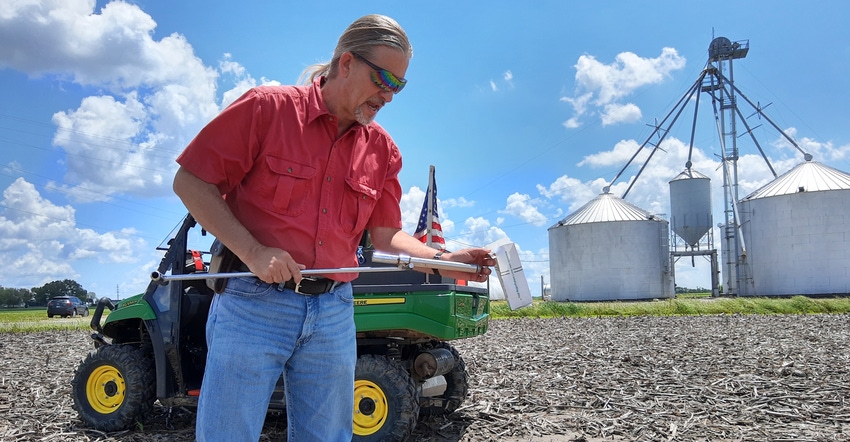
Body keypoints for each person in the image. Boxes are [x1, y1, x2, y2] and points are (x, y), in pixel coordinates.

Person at [172, 14, 494, 442]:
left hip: (334, 311)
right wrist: (253, 251)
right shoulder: (267, 108)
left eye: (399, 85)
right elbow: (192, 181)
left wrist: (444, 260)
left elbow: (385, 235)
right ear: (346, 63)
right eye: (383, 79)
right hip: (252, 303)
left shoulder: (383, 150)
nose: (390, 95)